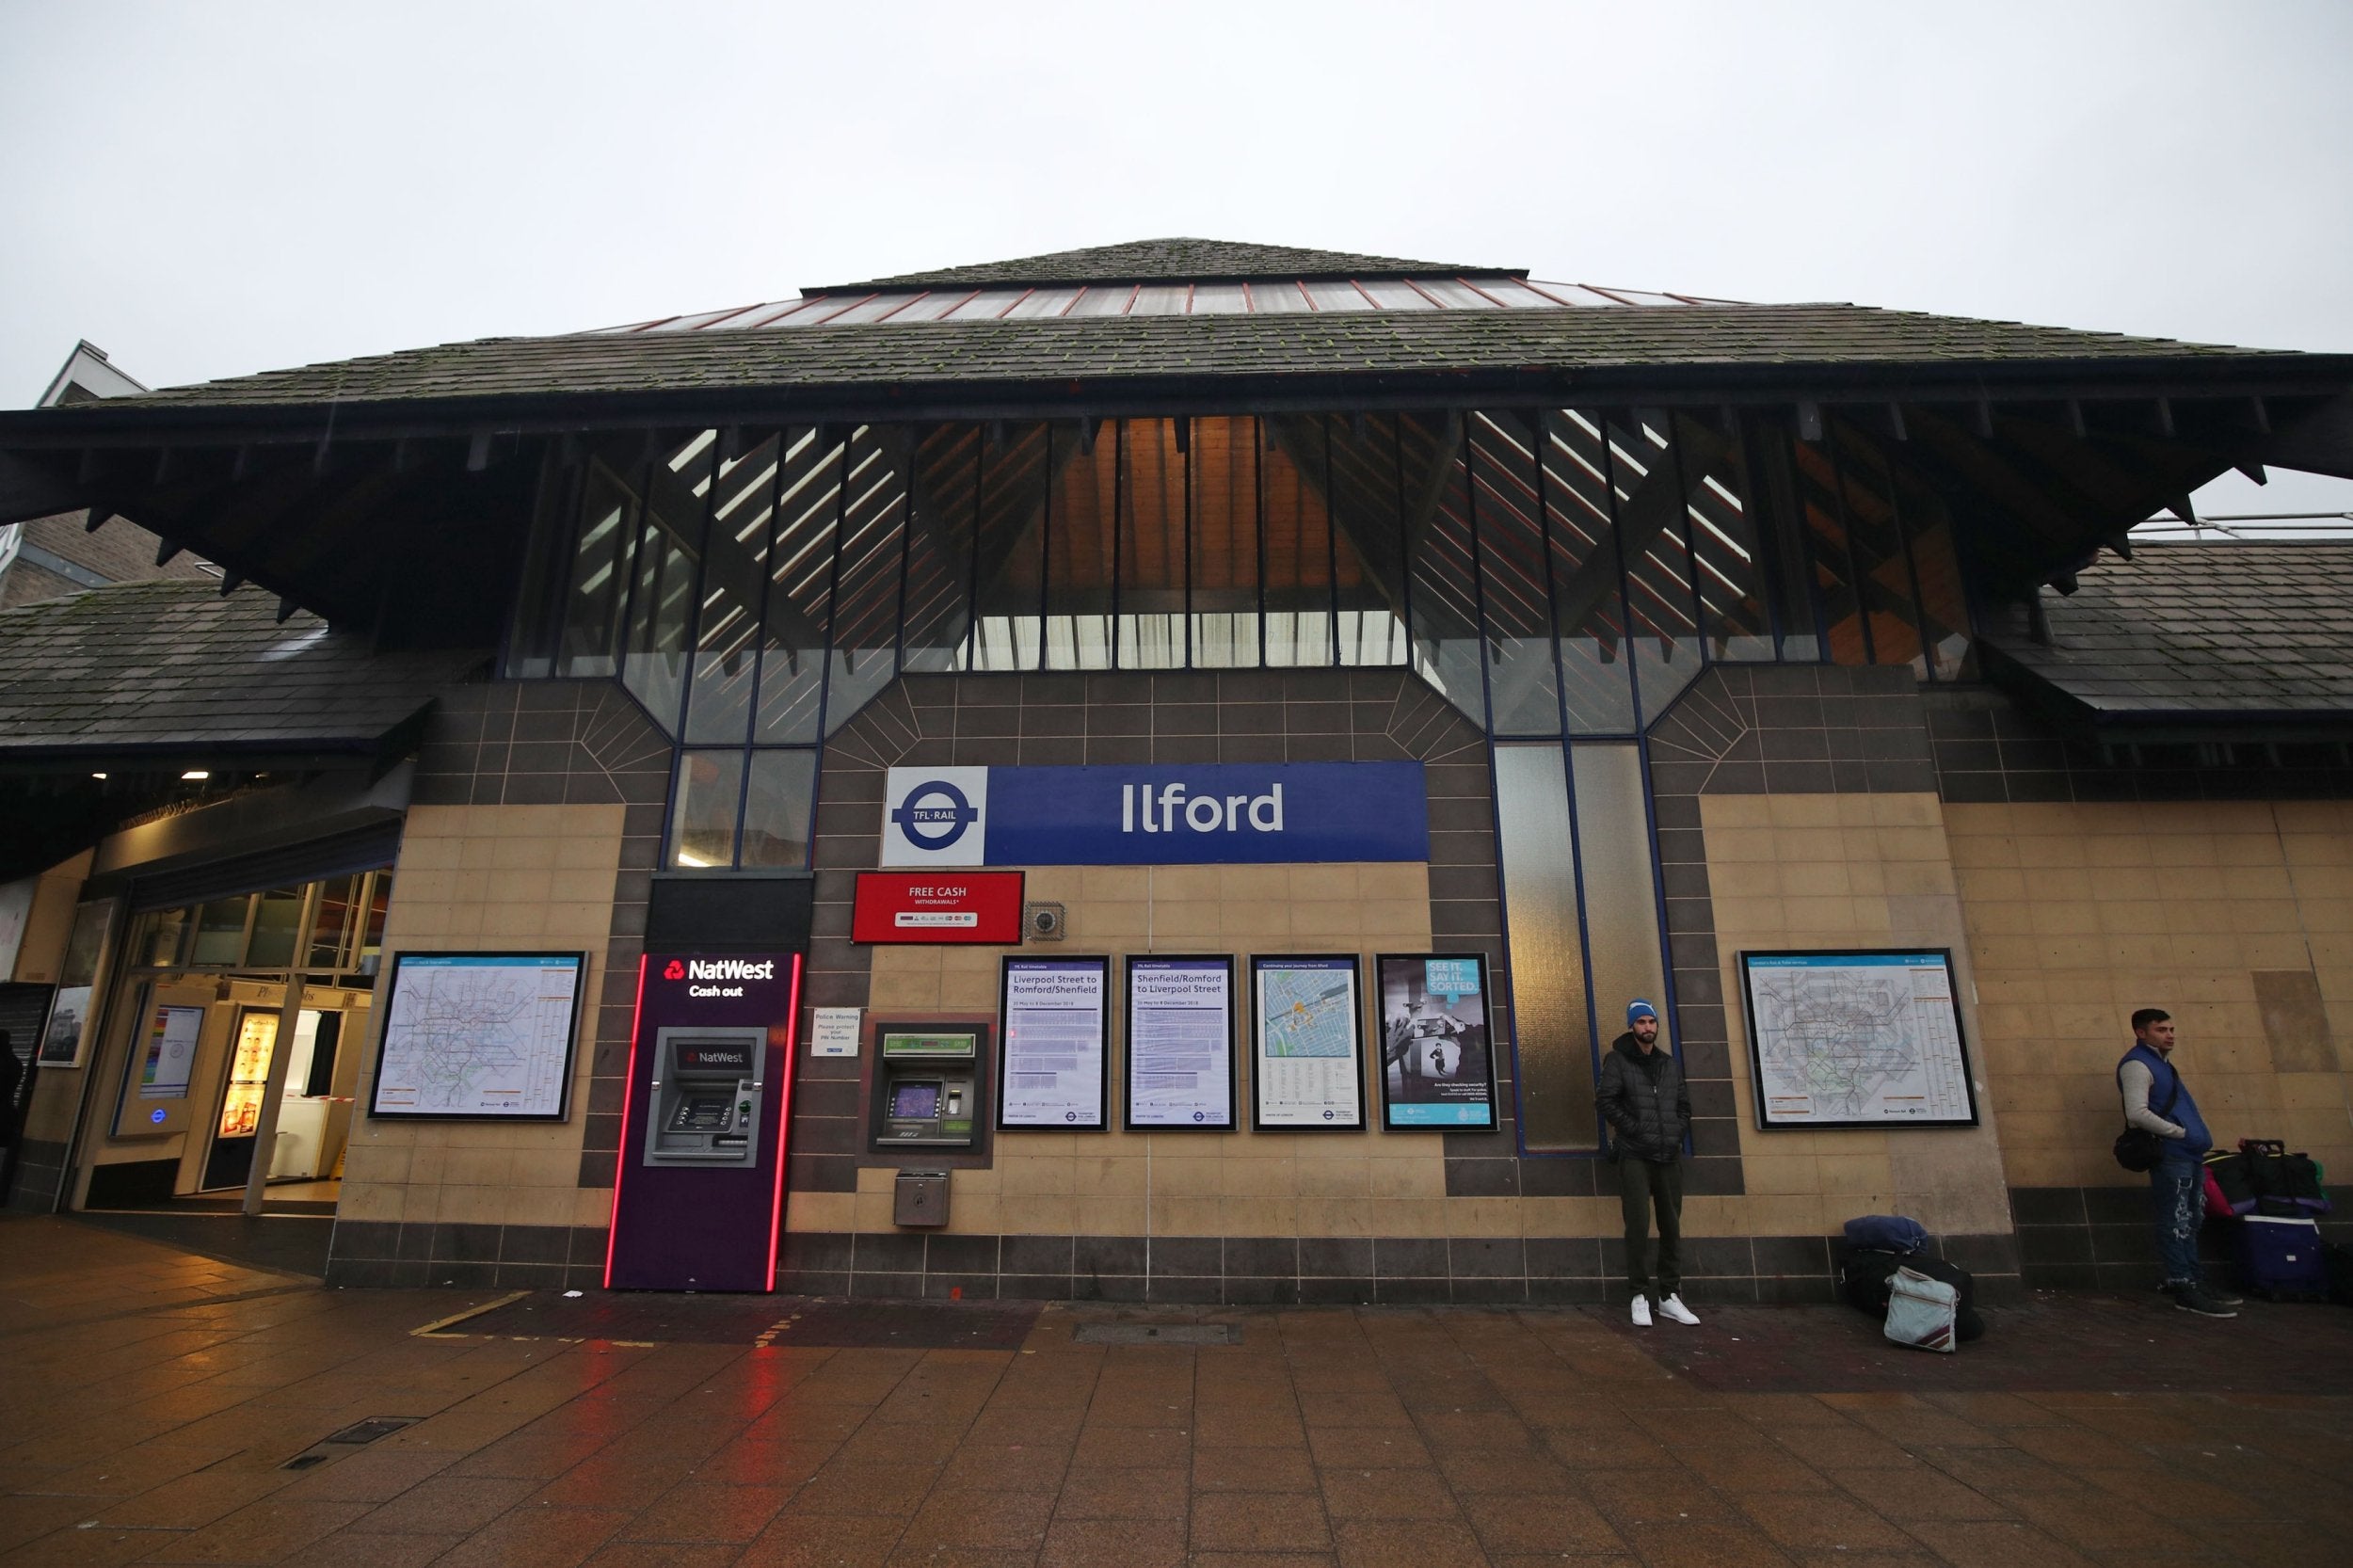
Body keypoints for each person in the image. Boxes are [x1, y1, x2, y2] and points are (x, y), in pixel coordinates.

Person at [2118, 1008, 2239, 1319]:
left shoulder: (2162, 1065)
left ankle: (2194, 1279)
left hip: (2189, 1154)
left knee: (2191, 1218)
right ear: (2141, 1033)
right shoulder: (2137, 1064)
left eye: (2171, 1029)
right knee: (2175, 1220)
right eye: (2161, 1029)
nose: (2169, 1034)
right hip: (2172, 1155)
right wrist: (2179, 1132)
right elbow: (2136, 1112)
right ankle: (2183, 1284)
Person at [1598, 1000, 1697, 1327]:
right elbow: (1606, 1100)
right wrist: (1636, 1130)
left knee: (1671, 1225)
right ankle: (1639, 1294)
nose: (1648, 1027)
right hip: (1635, 1155)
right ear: (1631, 1026)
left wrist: (1675, 1133)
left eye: (1652, 1022)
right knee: (1638, 1227)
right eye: (1641, 1022)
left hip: (1668, 1156)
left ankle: (1669, 1294)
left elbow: (1683, 1106)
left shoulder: (1668, 1064)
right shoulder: (1617, 1060)